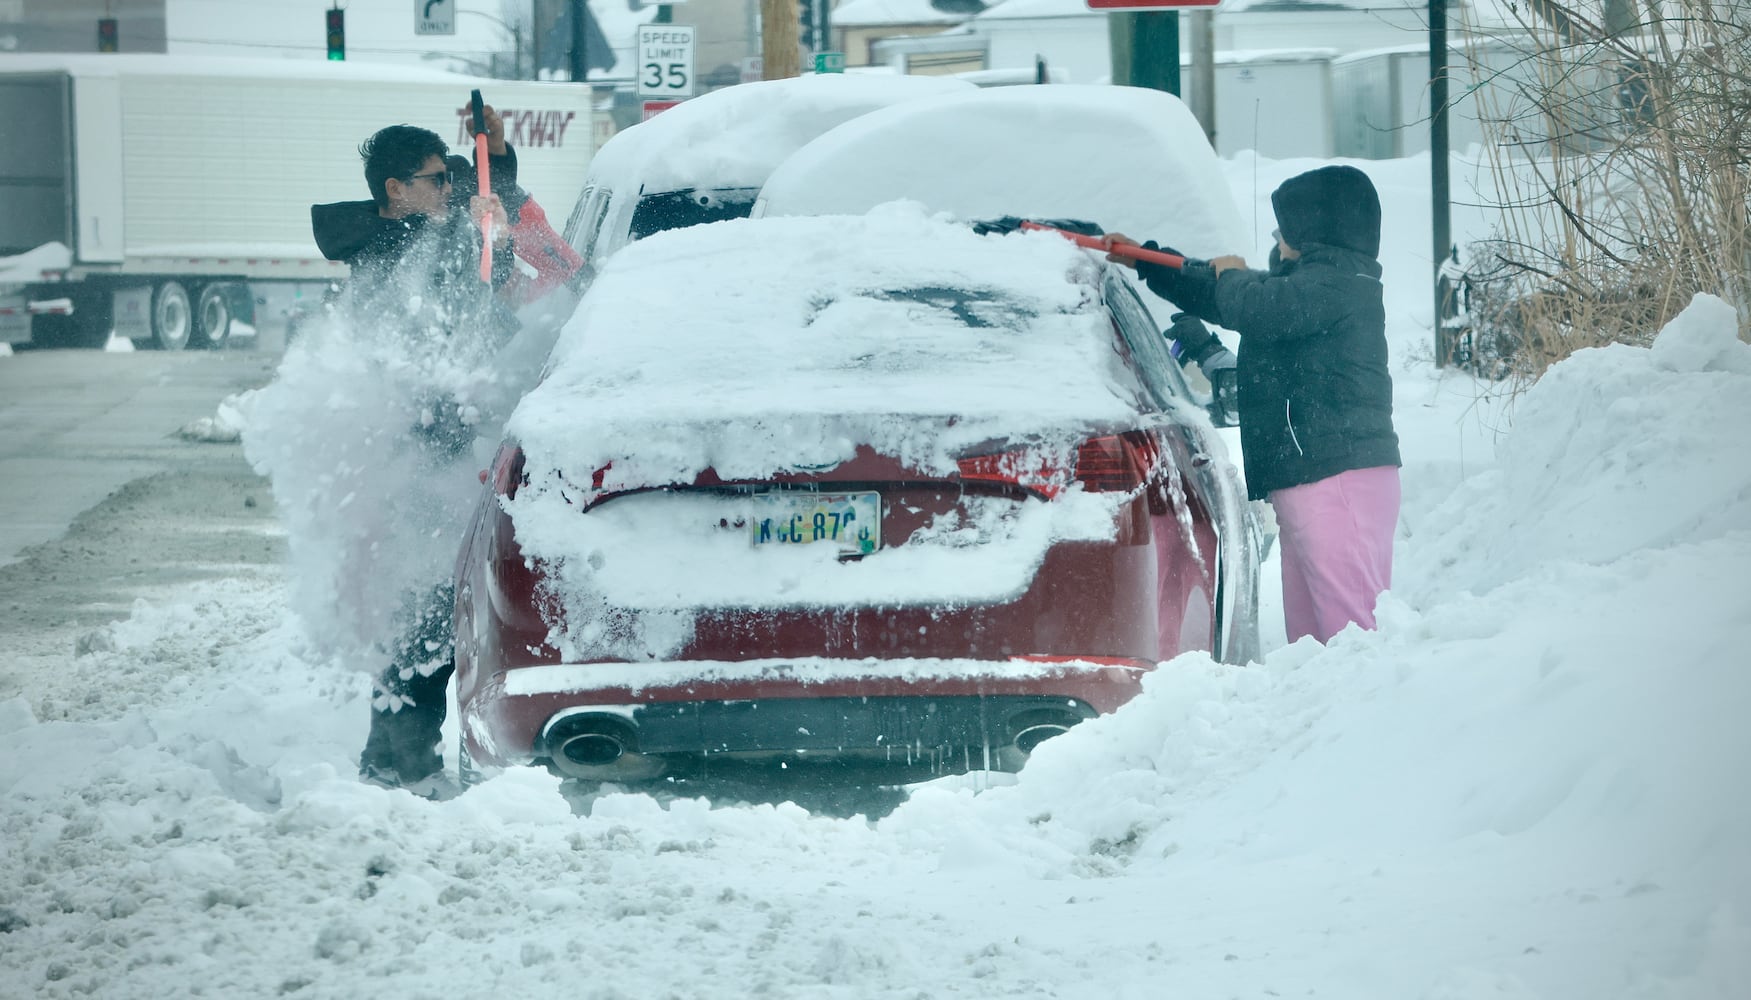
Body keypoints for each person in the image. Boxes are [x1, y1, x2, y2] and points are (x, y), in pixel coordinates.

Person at [309, 112, 519, 795]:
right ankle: (402, 765)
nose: (449, 192)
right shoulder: (387, 255)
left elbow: (484, 288)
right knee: (424, 622)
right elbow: (441, 320)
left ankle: (393, 760)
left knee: (433, 617)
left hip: (442, 463)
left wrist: (497, 177)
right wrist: (477, 229)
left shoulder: (416, 240)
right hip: (415, 471)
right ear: (396, 190)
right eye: (438, 181)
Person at [1105, 164, 1401, 645]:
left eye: (1285, 227)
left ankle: (1366, 719)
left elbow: (1253, 303)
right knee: (1311, 644)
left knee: (1352, 640)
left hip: (1340, 478)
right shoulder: (1308, 285)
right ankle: (1325, 718)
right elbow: (1221, 293)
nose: (1279, 237)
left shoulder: (1341, 283)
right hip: (1309, 479)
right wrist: (1143, 260)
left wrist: (1235, 275)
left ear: (1315, 227)